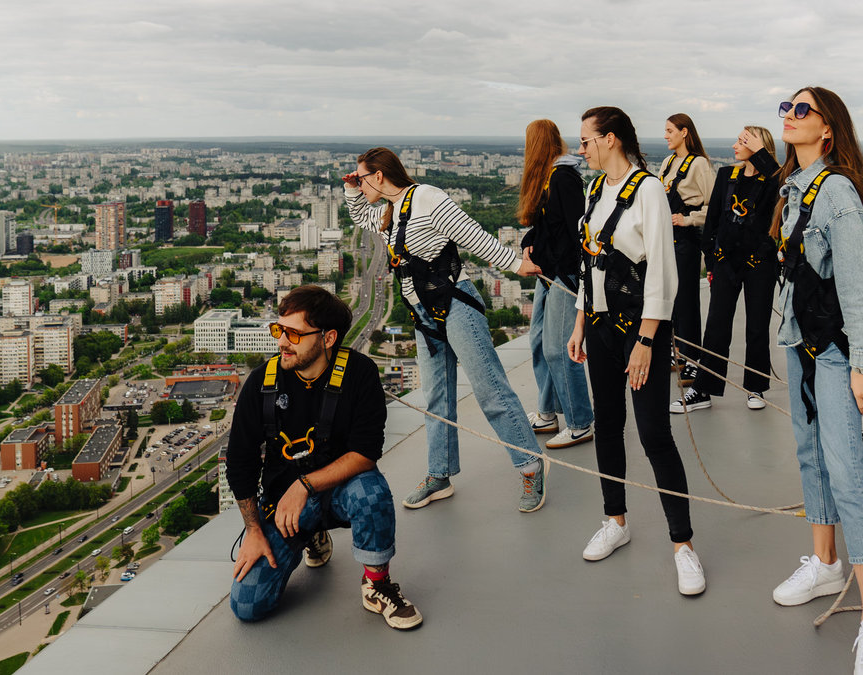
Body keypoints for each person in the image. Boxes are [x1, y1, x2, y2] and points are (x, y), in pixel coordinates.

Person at [343, 147, 548, 513]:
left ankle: (531, 465)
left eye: (361, 178)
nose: (359, 184)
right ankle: (440, 474)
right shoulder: (390, 210)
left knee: (489, 389)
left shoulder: (427, 198)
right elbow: (361, 217)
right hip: (423, 313)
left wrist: (517, 264)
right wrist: (350, 190)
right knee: (436, 396)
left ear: (379, 175)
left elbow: (473, 235)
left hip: (455, 304)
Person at [770, 87, 863, 674]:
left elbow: (860, 285)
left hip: (837, 354)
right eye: (785, 110)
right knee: (812, 456)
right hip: (801, 344)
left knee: (846, 474)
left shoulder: (836, 191)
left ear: (828, 130)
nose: (789, 118)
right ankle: (824, 564)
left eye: (802, 110)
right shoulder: (793, 190)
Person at [566, 106, 705, 596]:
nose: (580, 148)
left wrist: (646, 341)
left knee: (653, 433)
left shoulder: (647, 190)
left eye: (585, 140)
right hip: (601, 324)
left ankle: (683, 544)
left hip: (639, 329)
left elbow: (663, 273)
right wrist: (581, 320)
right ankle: (615, 520)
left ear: (610, 140)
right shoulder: (593, 191)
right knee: (608, 424)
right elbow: (591, 263)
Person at [227, 285, 421, 630]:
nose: (282, 342)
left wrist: (304, 485)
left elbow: (365, 453)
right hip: (286, 507)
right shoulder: (261, 384)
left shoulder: (359, 374)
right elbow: (240, 462)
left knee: (371, 492)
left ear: (328, 338)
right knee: (247, 604)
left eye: (294, 334)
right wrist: (254, 530)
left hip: (339, 491)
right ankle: (311, 535)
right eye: (279, 330)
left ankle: (377, 585)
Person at [671, 126, 780, 414]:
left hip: (760, 264)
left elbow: (782, 185)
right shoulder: (727, 176)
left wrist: (761, 154)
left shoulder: (772, 181)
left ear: (758, 146)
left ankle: (755, 386)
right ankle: (704, 388)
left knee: (756, 327)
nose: (735, 145)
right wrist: (712, 259)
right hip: (725, 263)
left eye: (742, 141)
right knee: (716, 327)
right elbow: (714, 221)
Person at [518, 119, 596, 449]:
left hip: (563, 275)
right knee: (538, 342)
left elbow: (577, 227)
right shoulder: (549, 177)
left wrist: (570, 274)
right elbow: (548, 225)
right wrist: (529, 241)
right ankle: (548, 412)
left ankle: (580, 421)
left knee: (558, 348)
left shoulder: (562, 178)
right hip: (548, 274)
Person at [659, 113, 715, 386]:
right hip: (668, 237)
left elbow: (714, 205)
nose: (666, 135)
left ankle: (694, 359)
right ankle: (678, 352)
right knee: (671, 298)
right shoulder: (669, 162)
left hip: (687, 237)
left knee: (687, 300)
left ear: (684, 132)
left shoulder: (700, 163)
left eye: (670, 130)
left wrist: (689, 219)